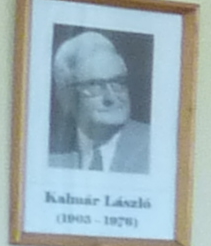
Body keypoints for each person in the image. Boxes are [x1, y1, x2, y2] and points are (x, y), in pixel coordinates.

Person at [47, 30, 144, 171]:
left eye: (118, 82)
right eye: (94, 85)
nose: (111, 97)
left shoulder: (155, 147)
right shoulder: (51, 155)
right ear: (67, 96)